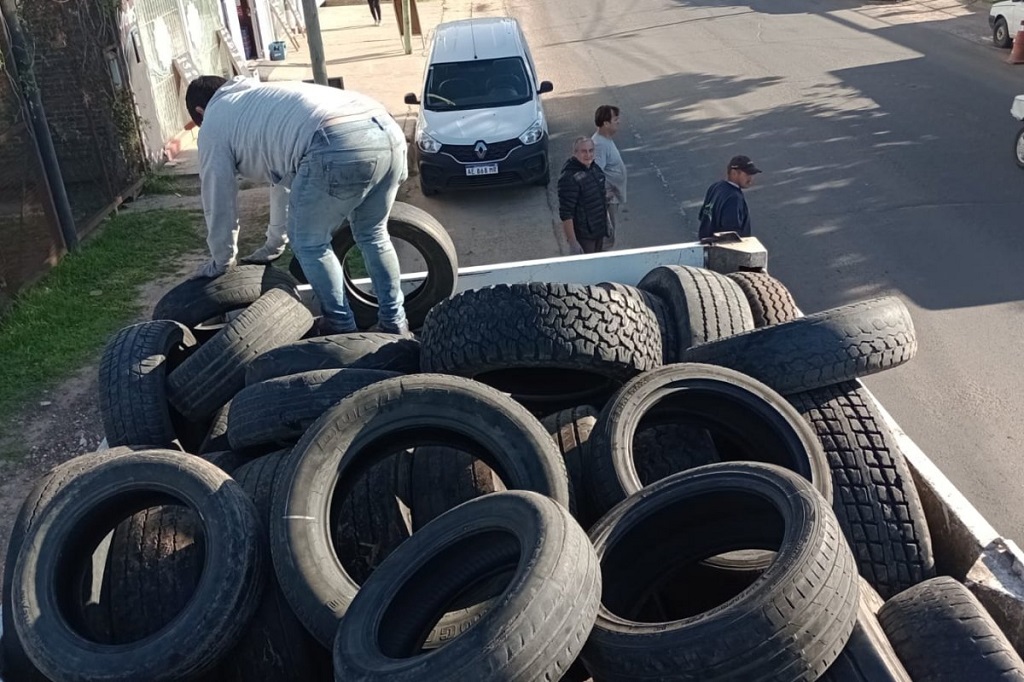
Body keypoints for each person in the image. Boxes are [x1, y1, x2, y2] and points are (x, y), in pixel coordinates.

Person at [184, 75, 410, 335]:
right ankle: (395, 323)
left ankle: (340, 326)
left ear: (201, 112)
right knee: (373, 234)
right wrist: (274, 244)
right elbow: (284, 180)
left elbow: (218, 197)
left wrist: (221, 261)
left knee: (310, 243)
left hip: (337, 140)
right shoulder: (261, 100)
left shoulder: (214, 122)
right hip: (387, 130)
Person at [558, 136, 609, 255]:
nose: (588, 155)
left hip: (599, 231)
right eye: (583, 151)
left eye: (591, 150)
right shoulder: (569, 178)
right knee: (588, 271)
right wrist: (573, 242)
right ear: (575, 153)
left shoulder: (594, 169)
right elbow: (566, 214)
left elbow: (601, 198)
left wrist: (607, 223)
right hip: (584, 237)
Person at [697, 155, 761, 240]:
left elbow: (703, 216)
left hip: (706, 246)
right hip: (723, 249)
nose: (751, 178)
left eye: (752, 174)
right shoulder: (734, 198)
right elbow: (731, 234)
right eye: (747, 174)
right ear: (734, 173)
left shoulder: (715, 187)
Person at [591, 105, 626, 249]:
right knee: (607, 236)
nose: (618, 122)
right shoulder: (599, 144)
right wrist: (603, 194)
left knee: (610, 234)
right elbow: (596, 172)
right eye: (615, 119)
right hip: (607, 200)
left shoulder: (605, 139)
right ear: (606, 123)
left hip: (611, 197)